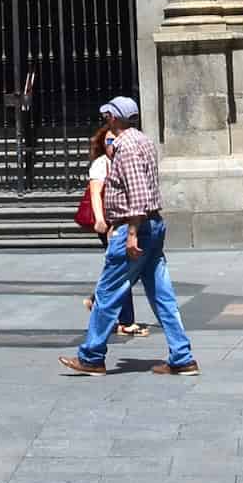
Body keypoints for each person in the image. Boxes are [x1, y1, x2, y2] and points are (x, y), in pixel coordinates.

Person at [60, 95, 199, 378]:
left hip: (134, 226)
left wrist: (132, 233)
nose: (105, 121)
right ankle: (182, 356)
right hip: (152, 225)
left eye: (107, 116)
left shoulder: (126, 146)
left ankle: (92, 356)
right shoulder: (144, 141)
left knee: (107, 293)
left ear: (114, 118)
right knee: (162, 295)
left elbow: (137, 193)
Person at [82, 120, 145, 338]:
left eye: (115, 140)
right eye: (109, 140)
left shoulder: (124, 159)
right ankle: (124, 320)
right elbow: (95, 193)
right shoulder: (101, 164)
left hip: (123, 223)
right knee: (121, 268)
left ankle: (98, 300)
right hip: (110, 224)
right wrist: (102, 221)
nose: (113, 144)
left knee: (122, 269)